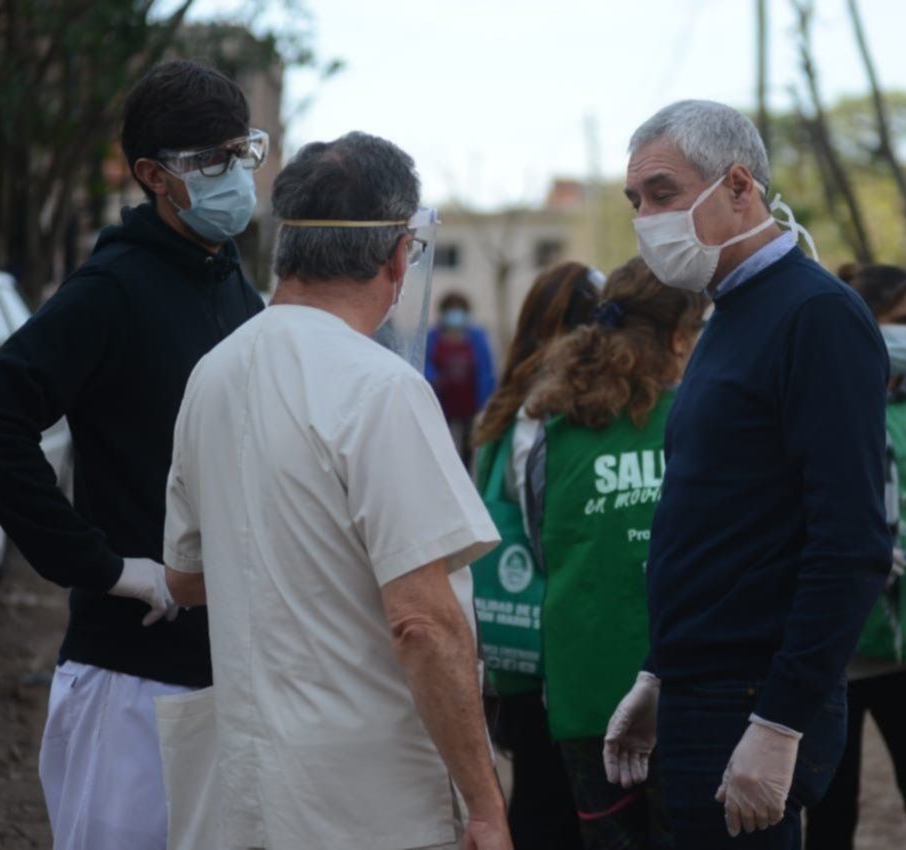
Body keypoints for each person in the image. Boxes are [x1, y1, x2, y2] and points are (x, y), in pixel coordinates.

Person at [162, 132, 509, 850]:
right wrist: (484, 805)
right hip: (370, 808)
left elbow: (185, 577)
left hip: (247, 795)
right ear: (398, 257)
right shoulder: (382, 389)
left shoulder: (212, 373)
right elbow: (423, 623)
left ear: (285, 249)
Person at [0, 61, 265, 850]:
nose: (237, 175)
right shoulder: (111, 289)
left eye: (244, 152)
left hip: (231, 671)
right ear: (154, 177)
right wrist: (106, 568)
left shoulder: (233, 284)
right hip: (130, 682)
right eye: (213, 161)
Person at [602, 100, 891, 849]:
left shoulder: (816, 315)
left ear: (738, 186)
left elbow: (852, 541)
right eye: (636, 201)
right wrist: (661, 671)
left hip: (751, 696)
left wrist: (781, 719)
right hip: (702, 687)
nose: (647, 219)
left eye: (663, 193)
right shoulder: (729, 312)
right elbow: (717, 515)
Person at [520, 257, 706, 849]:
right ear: (678, 339)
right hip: (685, 691)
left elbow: (542, 548)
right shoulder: (703, 421)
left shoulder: (552, 434)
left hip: (585, 692)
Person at [805, 265, 906, 850]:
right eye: (903, 321)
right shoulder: (823, 402)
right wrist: (857, 554)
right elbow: (792, 509)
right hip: (838, 648)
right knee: (831, 811)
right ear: (864, 322)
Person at [472, 261, 602, 850]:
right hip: (563, 651)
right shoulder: (559, 418)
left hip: (515, 645)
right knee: (566, 808)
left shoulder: (502, 410)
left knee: (537, 796)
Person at [428, 291, 497, 465]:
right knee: (443, 444)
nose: (455, 315)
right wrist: (434, 378)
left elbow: (486, 369)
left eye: (458, 310)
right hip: (442, 405)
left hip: (470, 404)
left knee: (468, 446)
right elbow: (424, 363)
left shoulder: (477, 336)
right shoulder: (433, 337)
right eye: (451, 310)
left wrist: (488, 401)